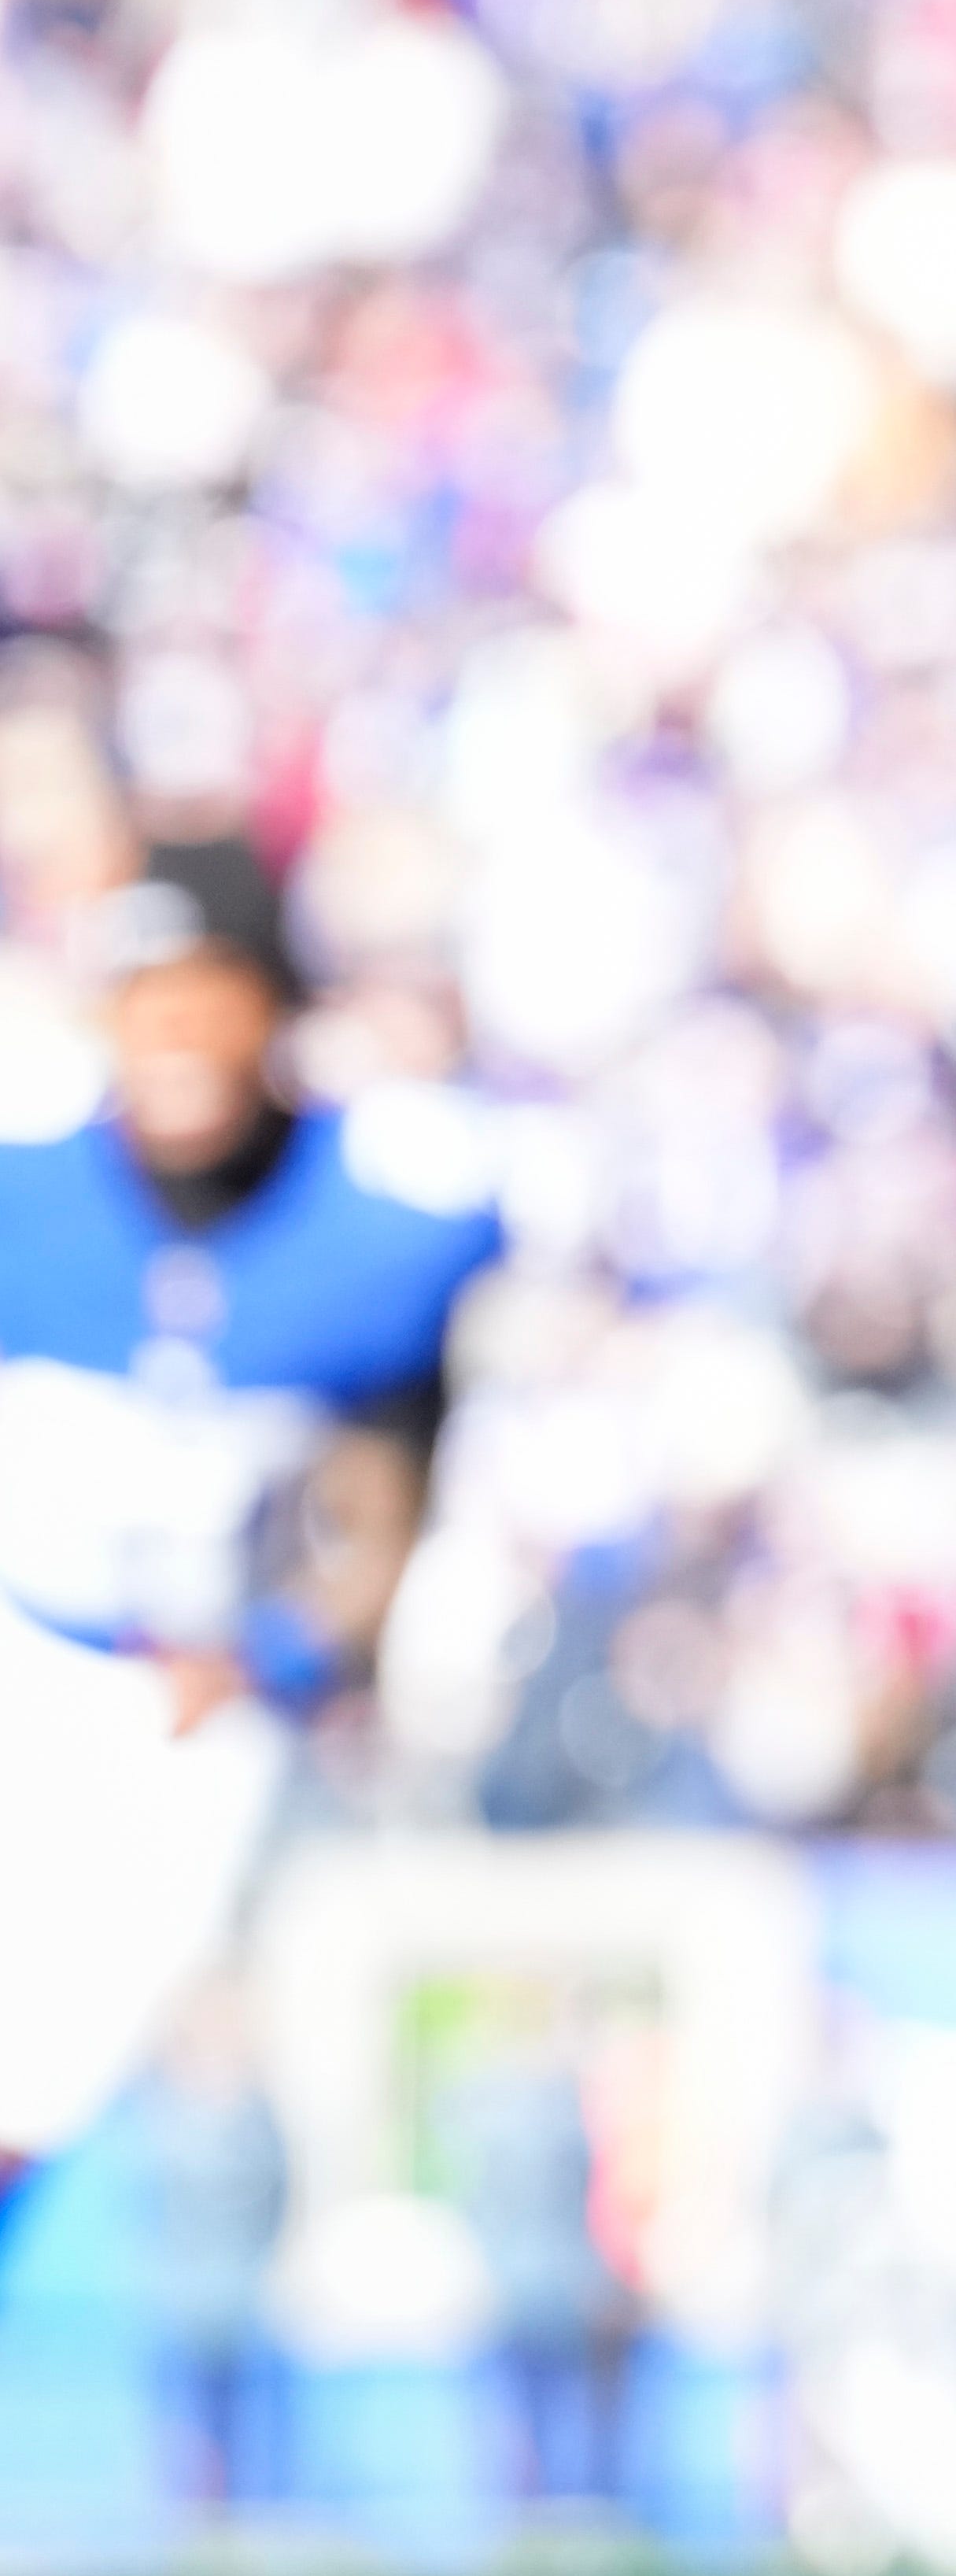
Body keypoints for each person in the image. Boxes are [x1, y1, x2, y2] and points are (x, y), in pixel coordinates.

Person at [0, 837, 497, 2236]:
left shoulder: (375, 1232)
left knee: (34, 2100)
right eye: (143, 995)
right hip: (19, 1648)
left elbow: (393, 1507)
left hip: (190, 1718)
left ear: (271, 1006)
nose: (171, 1035)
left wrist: (275, 1656)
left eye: (202, 992)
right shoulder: (26, 1199)